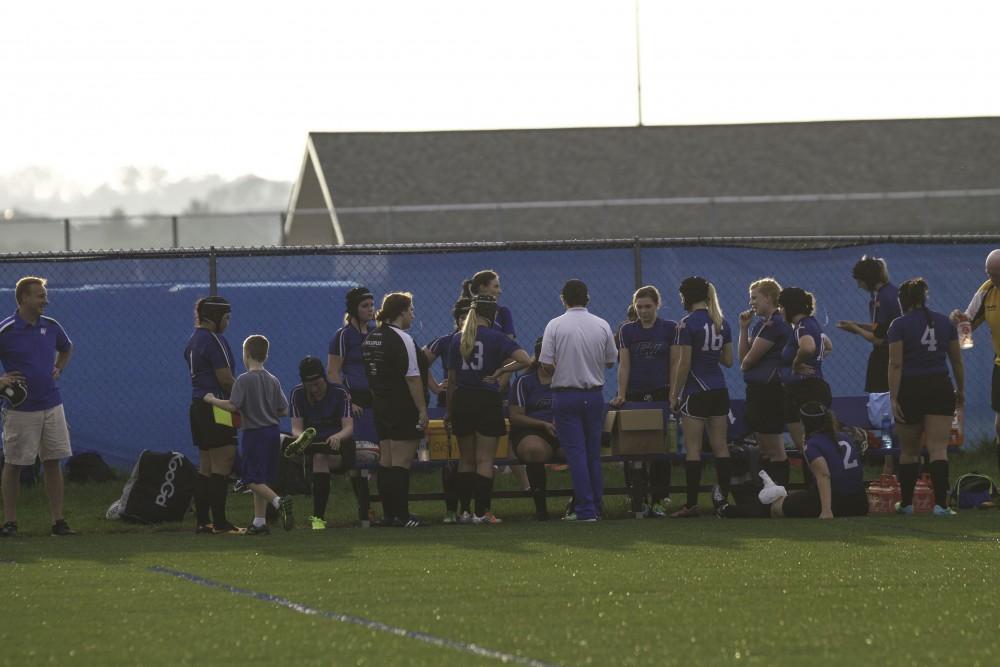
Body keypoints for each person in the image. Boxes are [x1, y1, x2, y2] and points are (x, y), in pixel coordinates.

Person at [0, 276, 75, 537]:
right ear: (24, 299)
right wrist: (1, 381)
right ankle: (10, 522)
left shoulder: (51, 326)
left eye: (45, 295)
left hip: (52, 405)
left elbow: (67, 348)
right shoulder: (7, 330)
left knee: (53, 461)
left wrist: (58, 368)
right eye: (41, 296)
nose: (46, 300)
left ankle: (58, 521)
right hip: (21, 409)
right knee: (14, 464)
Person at [538, 279, 618, 522]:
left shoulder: (555, 325)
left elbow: (545, 363)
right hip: (594, 395)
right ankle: (596, 504)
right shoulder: (601, 324)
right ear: (587, 298)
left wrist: (561, 370)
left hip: (566, 395)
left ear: (564, 299)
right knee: (593, 453)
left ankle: (585, 509)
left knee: (576, 454)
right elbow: (611, 360)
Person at [447, 295, 531, 524]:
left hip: (463, 400)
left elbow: (452, 380)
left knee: (466, 459)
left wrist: (449, 410)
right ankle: (481, 513)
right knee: (485, 459)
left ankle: (463, 511)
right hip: (486, 399)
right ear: (492, 315)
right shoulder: (496, 337)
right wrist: (500, 372)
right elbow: (525, 360)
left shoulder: (457, 339)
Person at [888, 278, 964, 516]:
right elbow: (956, 361)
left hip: (911, 388)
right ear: (924, 298)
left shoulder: (898, 325)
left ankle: (907, 504)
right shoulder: (944, 322)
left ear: (903, 301)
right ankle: (941, 505)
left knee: (909, 451)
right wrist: (961, 390)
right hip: (940, 385)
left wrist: (893, 397)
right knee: (938, 449)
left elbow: (896, 363)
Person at [204, 335, 292, 535]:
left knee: (249, 478)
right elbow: (284, 410)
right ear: (266, 355)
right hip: (272, 432)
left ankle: (279, 502)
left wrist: (212, 400)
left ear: (246, 354)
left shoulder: (243, 380)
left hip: (254, 434)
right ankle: (259, 522)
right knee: (261, 479)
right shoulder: (273, 379)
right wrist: (266, 410)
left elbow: (233, 405)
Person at [719, 402, 868, 519]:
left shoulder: (813, 443)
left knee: (774, 508)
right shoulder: (844, 437)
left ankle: (727, 510)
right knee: (794, 499)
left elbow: (823, 475)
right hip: (859, 502)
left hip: (834, 501)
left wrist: (826, 511)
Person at [362, 292, 429, 527]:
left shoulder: (372, 337)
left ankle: (389, 515)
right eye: (410, 310)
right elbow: (412, 378)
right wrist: (422, 409)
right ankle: (402, 515)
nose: (413, 314)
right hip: (402, 406)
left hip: (381, 405)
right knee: (401, 462)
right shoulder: (403, 338)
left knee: (387, 461)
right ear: (400, 312)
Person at [668, 277, 734, 518]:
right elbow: (728, 360)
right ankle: (722, 501)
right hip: (719, 389)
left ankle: (691, 504)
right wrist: (708, 353)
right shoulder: (722, 322)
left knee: (693, 449)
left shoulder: (685, 324)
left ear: (686, 296)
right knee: (721, 447)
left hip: (696, 391)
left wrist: (674, 394)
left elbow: (684, 363)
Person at [611, 285, 677, 517]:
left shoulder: (669, 328)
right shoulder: (627, 331)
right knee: (634, 448)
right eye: (639, 307)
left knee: (660, 450)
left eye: (648, 306)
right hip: (635, 396)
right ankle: (637, 497)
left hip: (661, 394)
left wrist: (673, 394)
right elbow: (624, 365)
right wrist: (621, 393)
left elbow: (674, 363)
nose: (643, 311)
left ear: (657, 305)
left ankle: (659, 499)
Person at [184, 295, 241, 535]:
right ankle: (220, 523)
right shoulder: (215, 340)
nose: (227, 323)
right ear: (214, 318)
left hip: (198, 406)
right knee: (224, 462)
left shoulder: (193, 340)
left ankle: (203, 522)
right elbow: (226, 380)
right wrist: (246, 399)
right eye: (226, 318)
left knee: (206, 466)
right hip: (217, 406)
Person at [286, 356, 354, 530]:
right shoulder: (297, 394)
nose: (315, 389)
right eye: (310, 386)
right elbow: (296, 428)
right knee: (281, 447)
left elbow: (348, 428)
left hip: (339, 446)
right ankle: (272, 514)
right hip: (311, 445)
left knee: (320, 457)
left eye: (318, 384)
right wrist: (301, 438)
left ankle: (318, 517)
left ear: (324, 378)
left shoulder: (340, 392)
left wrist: (338, 437)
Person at [738, 277, 793, 486]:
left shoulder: (774, 323)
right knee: (765, 449)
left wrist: (747, 362)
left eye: (755, 298)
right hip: (757, 389)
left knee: (775, 449)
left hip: (769, 390)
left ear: (769, 298)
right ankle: (767, 494)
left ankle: (780, 494)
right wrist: (744, 329)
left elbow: (747, 361)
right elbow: (743, 357)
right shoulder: (761, 325)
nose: (751, 302)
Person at [423, 297, 471, 524]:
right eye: (462, 317)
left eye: (469, 316)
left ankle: (469, 508)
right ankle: (451, 510)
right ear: (457, 320)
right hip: (449, 404)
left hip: (474, 403)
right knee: (450, 459)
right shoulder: (445, 341)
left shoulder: (484, 341)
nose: (466, 320)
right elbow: (419, 362)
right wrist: (435, 386)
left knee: (470, 458)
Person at [951, 248, 1000, 470]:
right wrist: (959, 321)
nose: (993, 278)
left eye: (997, 274)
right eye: (989, 273)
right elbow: (967, 328)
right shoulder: (986, 291)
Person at [509, 337, 563, 520]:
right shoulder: (524, 382)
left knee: (580, 450)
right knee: (534, 450)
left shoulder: (568, 380)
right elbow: (516, 416)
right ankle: (541, 509)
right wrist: (543, 424)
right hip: (532, 431)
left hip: (563, 430)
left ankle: (580, 504)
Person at [777, 287, 832, 455]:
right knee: (817, 443)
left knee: (807, 447)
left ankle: (815, 478)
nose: (780, 311)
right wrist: (815, 362)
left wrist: (796, 363)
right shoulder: (812, 323)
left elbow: (808, 347)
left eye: (781, 307)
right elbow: (828, 346)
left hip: (804, 390)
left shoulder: (802, 326)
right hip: (816, 386)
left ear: (789, 307)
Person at [838, 256, 900, 394]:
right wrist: (856, 325)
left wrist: (856, 329)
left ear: (868, 280)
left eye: (860, 281)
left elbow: (878, 339)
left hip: (887, 357)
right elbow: (883, 328)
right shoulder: (894, 292)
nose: (859, 286)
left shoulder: (881, 298)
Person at [462, 270, 516, 339]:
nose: (500, 291)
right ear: (482, 287)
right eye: (496, 286)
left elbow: (510, 342)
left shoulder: (503, 312)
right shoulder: (467, 311)